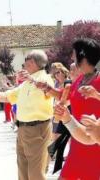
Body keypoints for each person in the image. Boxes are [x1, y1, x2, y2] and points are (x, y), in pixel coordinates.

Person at [0, 50, 54, 180]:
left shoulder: (45, 78)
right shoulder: (26, 83)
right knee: (23, 173)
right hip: (23, 129)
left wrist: (31, 79)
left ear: (32, 62)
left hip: (38, 129)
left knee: (36, 174)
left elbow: (47, 88)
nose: (23, 66)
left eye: (25, 63)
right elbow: (8, 96)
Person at [37, 38, 100, 179]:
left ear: (82, 56)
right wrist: (47, 88)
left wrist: (96, 95)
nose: (72, 57)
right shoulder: (79, 80)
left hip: (95, 145)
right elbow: (65, 97)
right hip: (77, 143)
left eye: (74, 54)